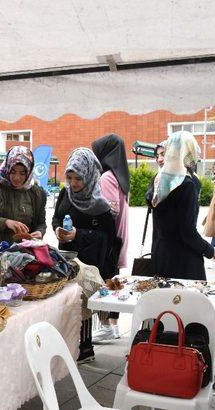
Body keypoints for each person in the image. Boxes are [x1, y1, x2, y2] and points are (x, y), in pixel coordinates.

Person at [52, 148, 119, 364]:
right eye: (69, 178)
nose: (73, 184)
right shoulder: (65, 194)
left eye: (78, 178)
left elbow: (107, 237)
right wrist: (57, 230)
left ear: (89, 176)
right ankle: (67, 345)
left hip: (90, 261)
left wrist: (78, 234)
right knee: (66, 301)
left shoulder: (100, 202)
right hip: (67, 256)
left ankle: (85, 348)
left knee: (84, 301)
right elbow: (55, 218)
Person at [147, 131, 215, 280]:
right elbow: (187, 231)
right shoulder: (186, 184)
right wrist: (210, 251)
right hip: (183, 260)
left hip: (161, 254)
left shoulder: (158, 181)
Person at [91, 134, 130, 342]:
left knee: (105, 280)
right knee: (113, 279)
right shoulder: (120, 176)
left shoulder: (106, 177)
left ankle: (106, 326)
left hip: (108, 240)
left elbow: (110, 209)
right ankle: (113, 327)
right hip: (119, 238)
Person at [0, 145, 46, 255]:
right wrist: (6, 222)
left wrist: (39, 232)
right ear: (7, 168)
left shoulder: (37, 193)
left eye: (22, 173)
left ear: (29, 172)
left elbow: (41, 223)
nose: (17, 178)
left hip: (25, 254)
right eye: (13, 172)